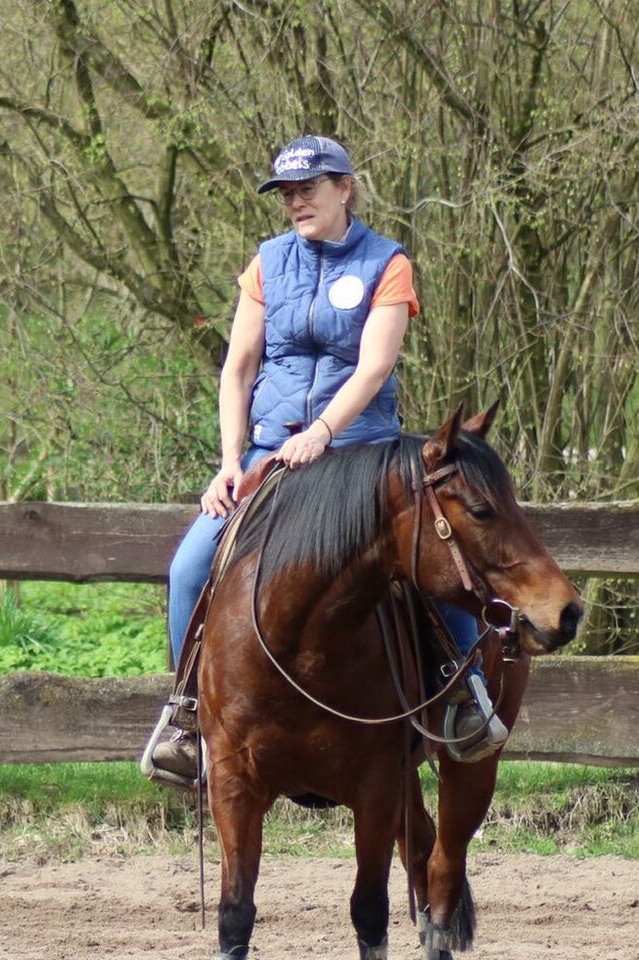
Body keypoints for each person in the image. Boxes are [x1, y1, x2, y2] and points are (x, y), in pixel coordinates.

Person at [143, 135, 506, 786]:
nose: (296, 203)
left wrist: (324, 430)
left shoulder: (386, 264)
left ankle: (465, 691)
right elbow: (240, 366)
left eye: (308, 189)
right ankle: (187, 715)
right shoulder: (266, 265)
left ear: (346, 188)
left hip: (359, 449)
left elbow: (375, 365)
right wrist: (230, 461)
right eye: (286, 194)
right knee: (190, 565)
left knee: (437, 549)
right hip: (270, 452)